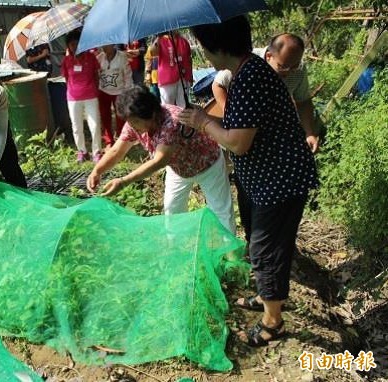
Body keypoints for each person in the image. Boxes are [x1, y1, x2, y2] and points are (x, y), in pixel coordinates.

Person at [182, 16, 318, 347]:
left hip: (279, 180)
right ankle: (265, 296)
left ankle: (273, 323)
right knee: (259, 240)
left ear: (217, 47)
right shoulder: (247, 72)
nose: (204, 53)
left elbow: (238, 142)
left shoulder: (251, 79)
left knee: (266, 250)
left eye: (203, 46)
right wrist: (208, 120)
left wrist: (202, 121)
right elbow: (241, 129)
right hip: (264, 176)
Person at [87, 85, 236, 234]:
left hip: (207, 163)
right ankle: (177, 246)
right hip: (178, 169)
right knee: (172, 209)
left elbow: (159, 161)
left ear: (150, 115)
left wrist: (124, 181)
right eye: (129, 121)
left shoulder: (171, 121)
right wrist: (97, 171)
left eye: (134, 122)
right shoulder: (135, 122)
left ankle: (231, 252)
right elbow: (117, 151)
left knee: (221, 210)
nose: (131, 126)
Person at [212, 33, 319, 153]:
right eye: (283, 67)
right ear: (268, 56)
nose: (288, 72)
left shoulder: (298, 69)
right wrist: (231, 117)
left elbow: (303, 101)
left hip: (273, 131)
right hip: (244, 129)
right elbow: (218, 85)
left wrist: (309, 133)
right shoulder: (246, 62)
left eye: (294, 66)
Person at [61, 30, 102, 163]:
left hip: (91, 95)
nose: (75, 46)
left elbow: (96, 75)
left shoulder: (91, 57)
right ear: (68, 46)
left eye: (77, 43)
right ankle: (82, 151)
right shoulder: (66, 60)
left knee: (94, 125)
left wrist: (94, 90)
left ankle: (97, 152)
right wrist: (74, 90)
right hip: (73, 98)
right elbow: (66, 78)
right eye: (71, 44)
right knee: (76, 126)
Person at [97, 44, 133, 148]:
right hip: (103, 91)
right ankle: (109, 140)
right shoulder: (99, 58)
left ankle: (121, 140)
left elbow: (127, 75)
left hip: (119, 92)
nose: (104, 47)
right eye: (102, 45)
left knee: (120, 117)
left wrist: (127, 93)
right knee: (105, 116)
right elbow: (97, 75)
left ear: (113, 44)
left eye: (106, 45)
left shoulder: (122, 57)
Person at [149, 31, 193, 108]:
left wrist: (190, 76)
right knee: (168, 107)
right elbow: (152, 52)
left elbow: (189, 59)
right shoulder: (161, 40)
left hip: (183, 78)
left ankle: (183, 120)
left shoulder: (183, 41)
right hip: (167, 80)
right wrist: (158, 37)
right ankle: (171, 120)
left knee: (183, 106)